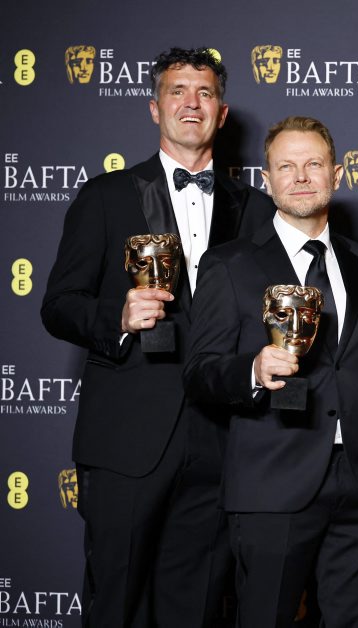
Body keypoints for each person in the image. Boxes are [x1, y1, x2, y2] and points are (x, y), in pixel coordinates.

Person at [41, 47, 274, 627]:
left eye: (204, 93)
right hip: (127, 441)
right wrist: (116, 317)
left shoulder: (256, 210)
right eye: (177, 91)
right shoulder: (106, 196)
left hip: (219, 442)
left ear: (222, 113)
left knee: (194, 609)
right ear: (154, 107)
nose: (191, 104)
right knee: (114, 604)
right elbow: (58, 306)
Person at [183, 116, 358, 628]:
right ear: (267, 179)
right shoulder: (229, 264)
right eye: (286, 166)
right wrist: (253, 369)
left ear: (337, 174)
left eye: (313, 164)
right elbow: (198, 373)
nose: (301, 176)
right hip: (272, 485)